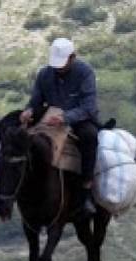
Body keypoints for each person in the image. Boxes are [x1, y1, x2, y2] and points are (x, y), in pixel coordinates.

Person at [21, 37, 101, 219]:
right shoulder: (44, 74)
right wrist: (28, 111)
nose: (58, 69)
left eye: (62, 64)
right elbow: (35, 101)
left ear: (72, 58)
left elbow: (88, 107)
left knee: (90, 137)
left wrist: (65, 118)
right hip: (49, 118)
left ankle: (87, 188)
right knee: (16, 136)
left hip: (78, 119)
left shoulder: (85, 72)